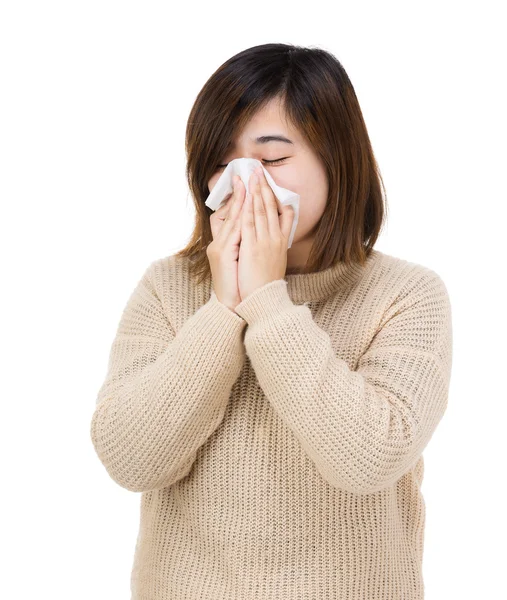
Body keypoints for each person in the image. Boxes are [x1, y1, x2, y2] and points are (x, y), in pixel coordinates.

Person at [90, 43, 453, 600]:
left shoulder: (406, 295)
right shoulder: (166, 288)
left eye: (273, 158)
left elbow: (368, 460)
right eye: (222, 160)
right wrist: (223, 309)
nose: (244, 181)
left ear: (337, 159)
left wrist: (267, 302)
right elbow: (131, 459)